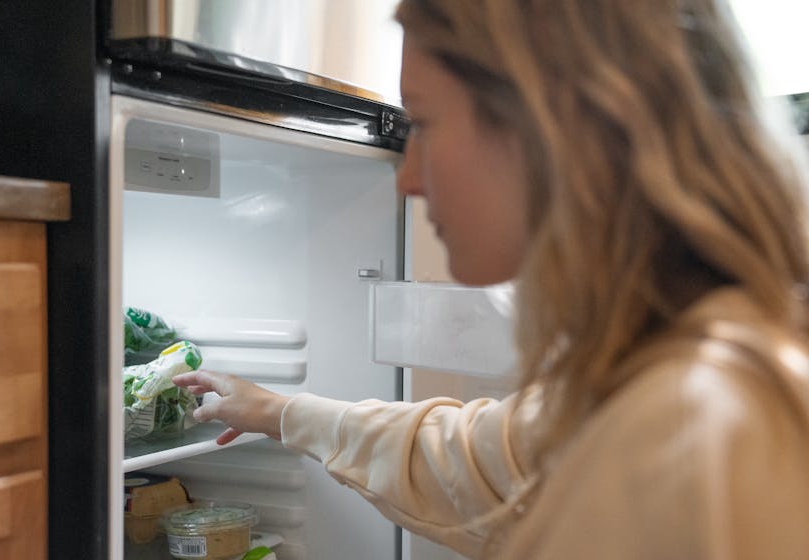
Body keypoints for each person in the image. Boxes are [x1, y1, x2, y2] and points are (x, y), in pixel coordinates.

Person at [173, 0, 809, 557]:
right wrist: (280, 411)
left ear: (550, 126)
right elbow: (480, 462)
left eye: (425, 121)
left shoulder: (692, 421)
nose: (406, 179)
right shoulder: (665, 367)